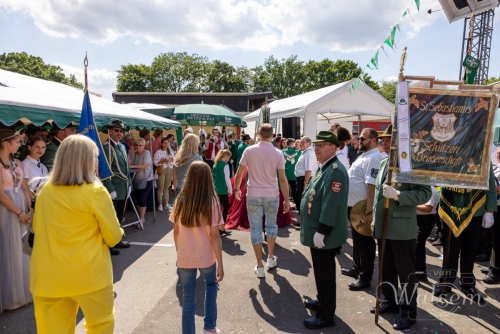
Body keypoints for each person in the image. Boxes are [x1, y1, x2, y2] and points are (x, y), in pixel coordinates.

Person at [30, 135, 124, 334]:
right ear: (88, 160)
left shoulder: (45, 190)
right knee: (100, 326)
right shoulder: (95, 191)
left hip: (48, 277)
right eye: (96, 157)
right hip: (89, 274)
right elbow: (114, 237)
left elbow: (37, 229)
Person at [370, 155, 431, 330]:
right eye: (385, 140)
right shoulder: (384, 162)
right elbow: (378, 194)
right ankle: (390, 301)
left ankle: (409, 313)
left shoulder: (412, 162)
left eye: (391, 139)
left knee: (406, 275)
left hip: (402, 228)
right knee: (386, 269)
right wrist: (375, 218)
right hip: (384, 226)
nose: (388, 143)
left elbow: (424, 194)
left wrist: (398, 195)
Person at [300, 131, 349, 330]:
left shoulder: (335, 170)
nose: (316, 149)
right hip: (317, 231)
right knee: (322, 272)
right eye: (316, 145)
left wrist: (322, 231)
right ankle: (322, 302)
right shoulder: (325, 167)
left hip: (323, 233)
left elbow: (332, 205)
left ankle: (326, 316)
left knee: (325, 274)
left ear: (332, 147)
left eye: (321, 146)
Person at [170, 161, 224, 334]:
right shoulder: (212, 202)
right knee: (211, 286)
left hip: (185, 255)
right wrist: (221, 264)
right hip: (206, 256)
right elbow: (215, 235)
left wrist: (180, 252)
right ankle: (209, 327)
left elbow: (176, 231)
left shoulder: (180, 200)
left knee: (188, 298)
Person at [234, 123, 290, 278]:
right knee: (271, 226)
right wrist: (287, 199)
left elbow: (239, 174)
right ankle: (270, 258)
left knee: (255, 229)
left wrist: (237, 189)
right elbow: (283, 179)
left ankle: (259, 265)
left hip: (253, 193)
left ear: (258, 135)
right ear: (272, 136)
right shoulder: (278, 153)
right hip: (272, 193)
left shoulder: (249, 150)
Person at [434, 167, 496, 304]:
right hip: (451, 209)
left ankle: (467, 285)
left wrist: (490, 210)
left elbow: (489, 181)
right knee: (450, 250)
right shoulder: (450, 148)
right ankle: (446, 282)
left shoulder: (482, 149)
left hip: (475, 209)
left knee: (470, 251)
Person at [341, 128, 383, 291]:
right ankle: (357, 268)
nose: (358, 141)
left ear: (373, 140)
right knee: (357, 241)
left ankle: (365, 277)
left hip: (362, 207)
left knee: (365, 243)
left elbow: (371, 186)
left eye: (362, 138)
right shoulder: (364, 156)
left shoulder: (373, 158)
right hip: (354, 206)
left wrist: (369, 211)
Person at [0, 129, 32, 315]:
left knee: (22, 248)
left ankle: (23, 291)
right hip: (7, 210)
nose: (19, 144)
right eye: (17, 141)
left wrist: (29, 210)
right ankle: (10, 297)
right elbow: (1, 195)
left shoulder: (17, 162)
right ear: (6, 143)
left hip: (22, 208)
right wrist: (19, 212)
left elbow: (25, 188)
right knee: (8, 248)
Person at [102, 119, 132, 255]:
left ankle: (117, 239)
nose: (119, 133)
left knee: (119, 216)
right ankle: (109, 244)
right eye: (116, 130)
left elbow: (126, 168)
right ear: (109, 131)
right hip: (114, 187)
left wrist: (130, 184)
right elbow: (105, 170)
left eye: (121, 131)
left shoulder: (121, 146)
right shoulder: (106, 148)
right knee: (111, 218)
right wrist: (110, 188)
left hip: (123, 187)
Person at [483, 146, 500, 284]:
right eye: (498, 153)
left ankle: (495, 270)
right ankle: (492, 264)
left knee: (497, 239)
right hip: (494, 207)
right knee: (491, 237)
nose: (498, 155)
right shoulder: (496, 167)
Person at [414, 186, 439, 282]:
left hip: (426, 220)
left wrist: (411, 205)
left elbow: (428, 208)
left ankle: (420, 272)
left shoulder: (430, 190)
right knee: (417, 246)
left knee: (418, 245)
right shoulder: (419, 188)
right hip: (417, 218)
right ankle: (418, 271)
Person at [129, 138, 154, 226]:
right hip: (136, 179)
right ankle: (140, 217)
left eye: (140, 145)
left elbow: (144, 166)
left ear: (144, 146)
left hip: (147, 180)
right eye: (136, 145)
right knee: (138, 200)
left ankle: (141, 219)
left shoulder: (147, 153)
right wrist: (129, 154)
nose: (138, 147)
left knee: (142, 199)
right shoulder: (132, 153)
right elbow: (128, 164)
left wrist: (132, 166)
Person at [294, 136, 317, 229]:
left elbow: (308, 170)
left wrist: (305, 184)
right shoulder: (305, 152)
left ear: (308, 143)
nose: (301, 144)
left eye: (303, 142)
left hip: (304, 179)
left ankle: (305, 224)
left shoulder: (309, 154)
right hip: (301, 179)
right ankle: (303, 222)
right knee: (302, 202)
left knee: (304, 202)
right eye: (300, 142)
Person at [212, 149, 233, 236]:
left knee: (217, 209)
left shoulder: (215, 164)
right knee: (225, 208)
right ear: (225, 156)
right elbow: (227, 179)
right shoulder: (225, 165)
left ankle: (216, 227)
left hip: (216, 189)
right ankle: (222, 227)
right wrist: (230, 189)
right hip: (223, 189)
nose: (229, 158)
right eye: (228, 156)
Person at [154, 137, 175, 212]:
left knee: (166, 187)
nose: (166, 144)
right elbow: (155, 162)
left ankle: (166, 203)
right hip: (161, 170)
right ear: (162, 144)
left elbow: (173, 161)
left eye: (167, 143)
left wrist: (171, 160)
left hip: (168, 170)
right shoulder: (158, 152)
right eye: (165, 143)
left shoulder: (170, 152)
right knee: (160, 188)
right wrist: (162, 161)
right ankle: (160, 204)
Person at [282, 138, 301, 212]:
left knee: (284, 192)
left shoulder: (282, 152)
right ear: (292, 144)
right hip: (293, 175)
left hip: (284, 175)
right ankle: (299, 209)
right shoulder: (298, 153)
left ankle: (283, 208)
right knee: (295, 193)